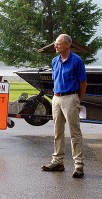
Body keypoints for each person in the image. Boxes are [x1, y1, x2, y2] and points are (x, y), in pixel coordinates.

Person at [41, 34, 87, 178]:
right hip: (56, 98)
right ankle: (58, 162)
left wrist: (77, 99)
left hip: (71, 97)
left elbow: (83, 83)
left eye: (58, 44)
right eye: (55, 44)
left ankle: (79, 166)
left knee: (75, 132)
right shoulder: (54, 61)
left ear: (67, 45)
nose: (55, 46)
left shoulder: (77, 61)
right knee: (57, 131)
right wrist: (56, 98)